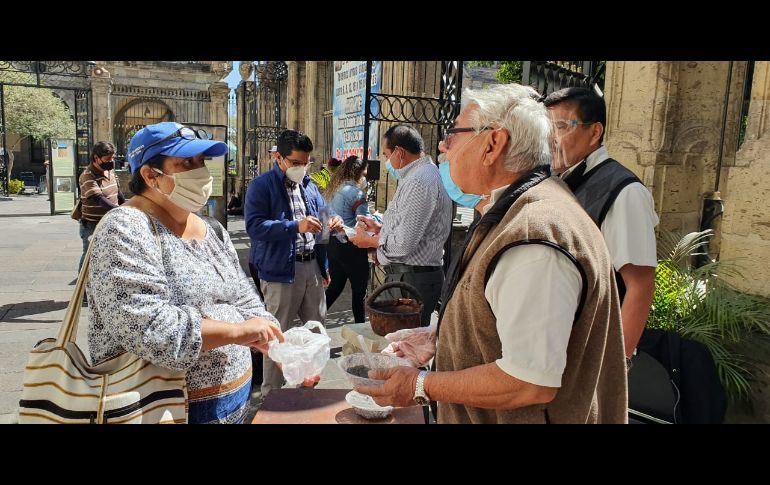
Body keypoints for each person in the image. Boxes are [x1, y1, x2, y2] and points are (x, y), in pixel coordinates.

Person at [357, 84, 627, 424]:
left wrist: (420, 383)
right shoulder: (515, 212)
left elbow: (529, 382)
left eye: (453, 135)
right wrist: (443, 339)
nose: (443, 147)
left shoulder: (532, 234)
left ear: (493, 144)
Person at [86, 121, 301, 424]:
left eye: (201, 161)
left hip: (234, 402)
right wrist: (239, 332)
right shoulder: (125, 227)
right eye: (186, 162)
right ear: (150, 175)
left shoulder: (210, 228)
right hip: (165, 409)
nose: (200, 170)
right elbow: (149, 327)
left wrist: (268, 331)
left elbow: (242, 292)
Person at [544, 87, 658, 360]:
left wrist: (612, 365)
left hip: (590, 354)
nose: (551, 139)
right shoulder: (559, 180)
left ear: (595, 132)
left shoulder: (625, 191)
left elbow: (640, 286)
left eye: (560, 126)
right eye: (546, 128)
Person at [245, 129, 343, 396]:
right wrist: (294, 226)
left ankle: (308, 390)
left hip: (311, 268)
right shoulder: (262, 186)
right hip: (280, 272)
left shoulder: (310, 187)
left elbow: (325, 218)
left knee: (316, 335)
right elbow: (255, 227)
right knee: (277, 337)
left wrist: (334, 222)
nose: (301, 168)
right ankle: (272, 396)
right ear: (279, 158)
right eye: (296, 163)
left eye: (306, 163)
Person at [351, 125, 451, 327]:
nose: (387, 162)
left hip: (411, 278)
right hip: (411, 276)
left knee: (401, 348)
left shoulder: (420, 180)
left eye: (387, 154)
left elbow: (403, 245)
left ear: (399, 152)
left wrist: (368, 241)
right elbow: (411, 228)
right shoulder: (420, 176)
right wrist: (381, 229)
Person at [323, 155, 371, 323]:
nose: (365, 178)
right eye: (364, 174)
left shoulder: (334, 189)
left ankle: (313, 320)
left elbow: (325, 217)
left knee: (335, 287)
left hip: (333, 245)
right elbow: (364, 224)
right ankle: (360, 331)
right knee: (359, 292)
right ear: (357, 173)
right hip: (353, 247)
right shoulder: (357, 194)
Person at [77, 141, 125, 272]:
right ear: (96, 158)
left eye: (113, 158)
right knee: (89, 256)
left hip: (110, 222)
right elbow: (98, 198)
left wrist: (126, 206)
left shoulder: (110, 171)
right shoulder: (87, 175)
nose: (111, 161)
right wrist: (120, 211)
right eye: (107, 159)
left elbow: (117, 192)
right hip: (92, 225)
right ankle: (82, 288)